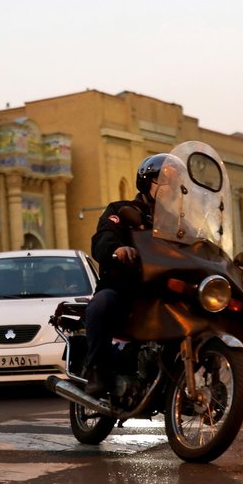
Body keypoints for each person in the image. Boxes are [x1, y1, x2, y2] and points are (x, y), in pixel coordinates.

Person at [82, 153, 166, 397]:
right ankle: (96, 369)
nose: (168, 189)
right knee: (101, 303)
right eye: (162, 182)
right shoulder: (122, 210)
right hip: (125, 291)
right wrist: (116, 249)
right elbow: (102, 239)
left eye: (173, 184)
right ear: (146, 183)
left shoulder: (176, 222)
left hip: (161, 292)